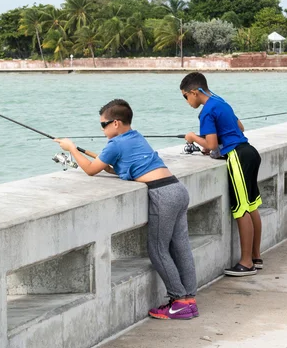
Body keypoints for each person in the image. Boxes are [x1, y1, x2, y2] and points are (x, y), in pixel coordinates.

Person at [55, 99, 198, 320]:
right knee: (181, 247)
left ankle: (178, 301)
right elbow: (123, 168)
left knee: (158, 249)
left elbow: (91, 170)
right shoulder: (135, 137)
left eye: (103, 124)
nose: (101, 129)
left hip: (162, 194)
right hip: (177, 188)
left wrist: (71, 148)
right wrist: (109, 165)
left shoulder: (116, 144)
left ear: (116, 123)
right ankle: (189, 300)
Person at [180, 72, 262, 276]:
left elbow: (211, 144)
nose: (186, 101)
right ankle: (256, 257)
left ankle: (246, 263)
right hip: (249, 152)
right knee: (251, 206)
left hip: (237, 157)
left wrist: (192, 137)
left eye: (185, 96)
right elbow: (239, 126)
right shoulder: (219, 101)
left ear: (194, 92)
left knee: (241, 209)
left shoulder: (206, 111)